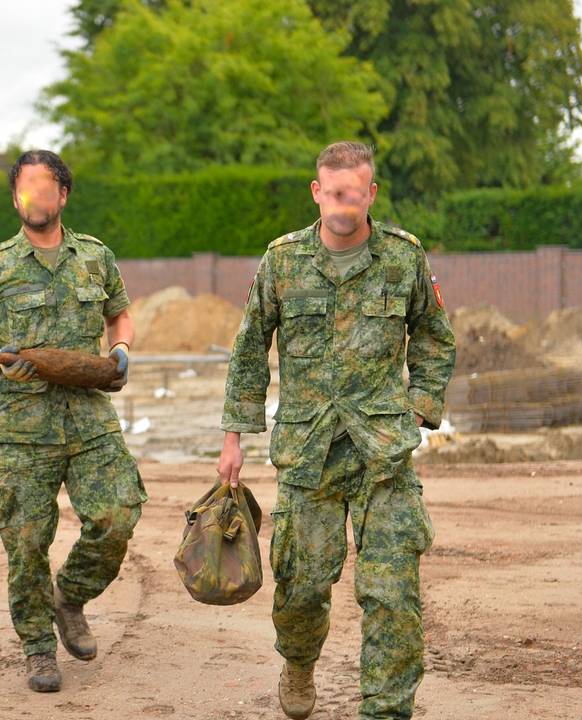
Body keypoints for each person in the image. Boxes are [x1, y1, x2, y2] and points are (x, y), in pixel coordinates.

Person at [218, 141, 456, 720]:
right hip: (308, 453)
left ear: (370, 193)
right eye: (334, 191)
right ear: (317, 192)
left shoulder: (402, 258)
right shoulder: (283, 260)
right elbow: (250, 347)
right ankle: (298, 663)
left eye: (356, 191)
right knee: (300, 585)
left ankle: (386, 710)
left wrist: (419, 409)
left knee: (393, 594)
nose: (344, 202)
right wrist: (235, 435)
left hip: (384, 457)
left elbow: (433, 336)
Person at [0, 150, 143, 693]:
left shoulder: (95, 257)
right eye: (25, 188)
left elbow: (119, 311)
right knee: (26, 541)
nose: (34, 196)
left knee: (119, 514)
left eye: (45, 186)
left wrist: (121, 347)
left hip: (89, 417)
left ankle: (71, 597)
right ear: (16, 198)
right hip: (22, 426)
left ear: (62, 195)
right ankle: (38, 647)